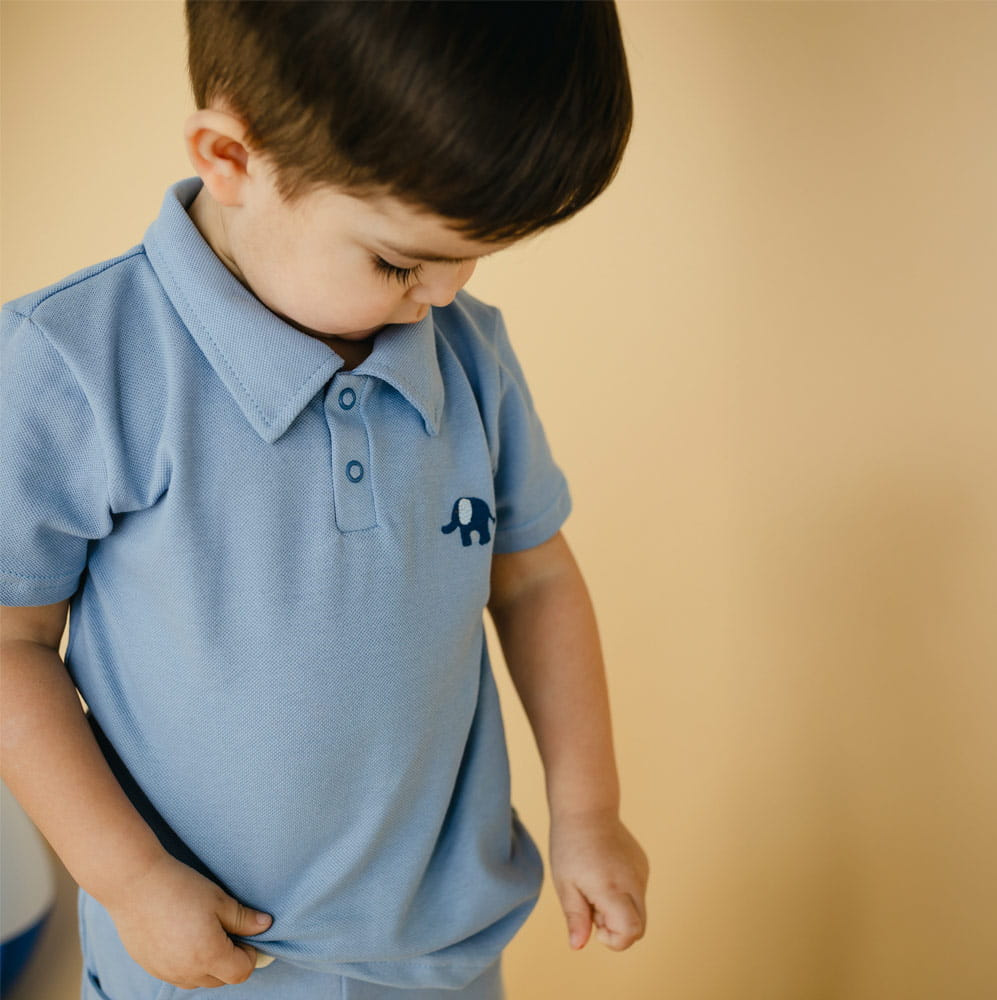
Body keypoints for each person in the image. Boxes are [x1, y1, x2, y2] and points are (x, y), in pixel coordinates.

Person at [0, 3, 649, 998]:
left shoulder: (469, 352)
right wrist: (129, 881)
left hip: (441, 953)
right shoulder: (75, 364)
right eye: (399, 261)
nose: (444, 293)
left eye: (471, 254)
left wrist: (587, 811)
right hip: (202, 959)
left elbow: (535, 582)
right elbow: (10, 645)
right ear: (229, 157)